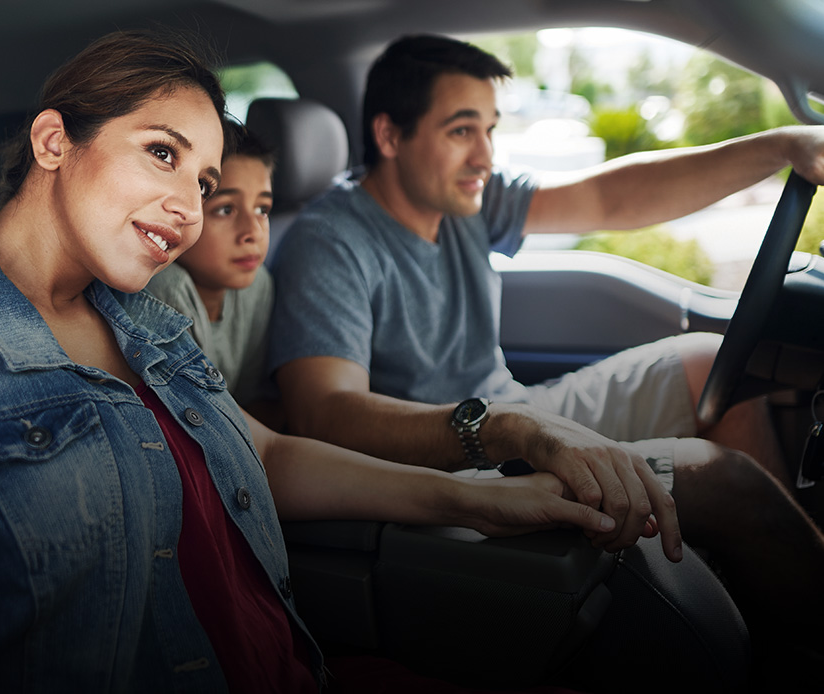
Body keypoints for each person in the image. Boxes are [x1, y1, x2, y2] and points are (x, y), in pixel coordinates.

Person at [0, 28, 625, 693]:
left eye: (203, 183)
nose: (187, 208)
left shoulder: (151, 327)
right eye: (162, 153)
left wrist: (481, 498)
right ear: (54, 142)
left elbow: (265, 457)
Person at [269, 33, 824, 643]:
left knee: (708, 365)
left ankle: (759, 603)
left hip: (514, 412)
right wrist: (502, 428)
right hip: (448, 465)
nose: (484, 155)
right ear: (390, 136)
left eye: (489, 129)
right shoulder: (330, 243)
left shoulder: (464, 199)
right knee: (722, 476)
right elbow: (324, 413)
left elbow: (608, 197)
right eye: (461, 131)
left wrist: (779, 147)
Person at [146, 119, 280, 425]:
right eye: (225, 210)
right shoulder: (166, 289)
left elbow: (252, 398)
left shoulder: (258, 283)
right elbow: (206, 422)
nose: (252, 232)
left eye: (262, 210)